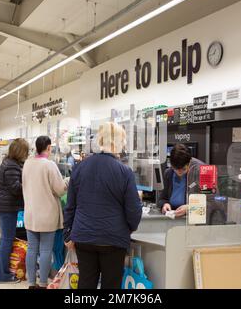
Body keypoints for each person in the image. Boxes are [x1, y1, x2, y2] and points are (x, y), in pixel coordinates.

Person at [64, 122, 143, 289]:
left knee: (85, 283)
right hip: (113, 239)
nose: (123, 146)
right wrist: (129, 228)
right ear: (115, 143)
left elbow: (71, 205)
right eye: (123, 142)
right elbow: (133, 210)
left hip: (84, 236)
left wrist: (68, 233)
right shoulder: (124, 172)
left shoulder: (79, 167)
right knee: (111, 285)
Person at [22, 136, 67, 289]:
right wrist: (67, 181)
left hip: (31, 213)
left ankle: (31, 283)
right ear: (48, 147)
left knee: (32, 249)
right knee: (46, 249)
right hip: (47, 215)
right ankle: (42, 283)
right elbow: (60, 190)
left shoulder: (27, 164)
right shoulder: (50, 165)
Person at [0, 138, 29, 284]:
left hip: (6, 206)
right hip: (8, 207)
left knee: (6, 240)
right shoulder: (12, 166)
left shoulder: (10, 163)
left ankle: (3, 273)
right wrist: (28, 183)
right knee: (7, 240)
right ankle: (2, 275)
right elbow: (15, 188)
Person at [157, 144, 205, 217]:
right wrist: (164, 204)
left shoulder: (203, 171)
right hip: (174, 217)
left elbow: (212, 202)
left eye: (183, 169)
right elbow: (162, 198)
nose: (179, 172)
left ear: (189, 162)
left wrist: (190, 208)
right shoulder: (168, 173)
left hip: (195, 220)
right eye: (176, 169)